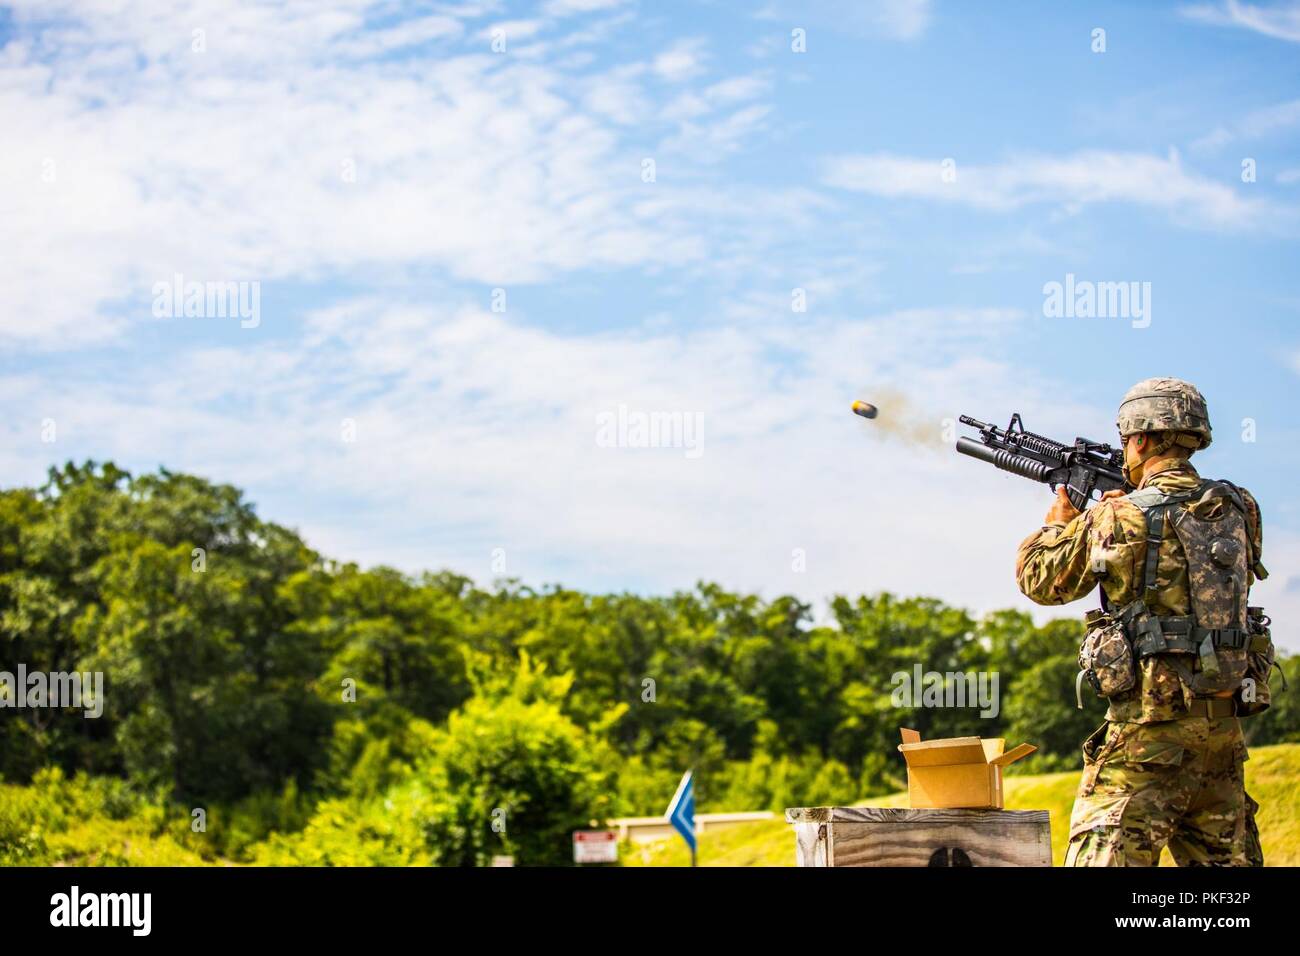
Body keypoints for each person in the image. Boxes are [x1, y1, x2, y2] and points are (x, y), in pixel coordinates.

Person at [1016, 378, 1270, 866]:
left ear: (1140, 439)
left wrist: (1057, 523)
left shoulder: (1119, 517)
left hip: (1145, 742)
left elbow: (1040, 580)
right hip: (1222, 739)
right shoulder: (1242, 509)